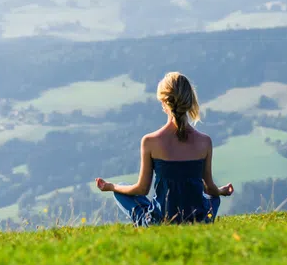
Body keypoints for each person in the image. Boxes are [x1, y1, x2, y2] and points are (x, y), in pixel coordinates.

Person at [95, 71, 233, 226]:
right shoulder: (205, 142)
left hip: (160, 221)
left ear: (163, 102)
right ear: (190, 101)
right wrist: (221, 191)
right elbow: (210, 189)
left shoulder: (150, 141)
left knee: (122, 188)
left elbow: (141, 189)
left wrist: (111, 186)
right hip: (198, 220)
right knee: (213, 199)